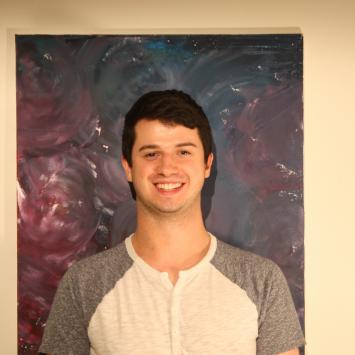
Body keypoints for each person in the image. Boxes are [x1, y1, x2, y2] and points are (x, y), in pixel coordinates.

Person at [39, 90, 305, 355]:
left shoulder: (261, 280)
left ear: (207, 164)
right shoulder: (84, 284)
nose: (167, 167)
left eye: (184, 152)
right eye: (151, 154)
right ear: (129, 168)